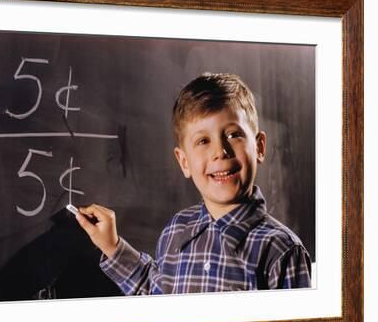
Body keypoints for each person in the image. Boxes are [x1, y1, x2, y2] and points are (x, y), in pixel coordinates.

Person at [75, 72, 311, 294]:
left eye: (233, 135)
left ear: (259, 147)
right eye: (203, 141)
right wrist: (112, 246)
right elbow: (158, 297)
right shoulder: (175, 231)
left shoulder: (282, 250)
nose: (220, 151)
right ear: (184, 161)